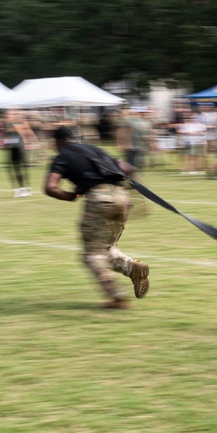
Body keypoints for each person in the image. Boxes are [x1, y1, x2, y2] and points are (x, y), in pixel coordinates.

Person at [44, 126, 150, 309]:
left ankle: (118, 297)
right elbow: (127, 167)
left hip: (99, 200)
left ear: (57, 141)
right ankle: (133, 268)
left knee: (91, 255)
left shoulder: (62, 156)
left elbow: (50, 187)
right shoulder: (93, 149)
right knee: (105, 247)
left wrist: (70, 196)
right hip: (121, 197)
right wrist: (131, 191)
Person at [2, 110, 40, 197]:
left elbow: (28, 133)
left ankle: (25, 188)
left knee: (23, 170)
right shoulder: (7, 124)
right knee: (11, 170)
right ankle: (16, 190)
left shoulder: (22, 123)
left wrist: (34, 142)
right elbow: (6, 136)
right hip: (11, 149)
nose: (13, 116)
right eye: (10, 114)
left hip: (20, 148)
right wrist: (4, 142)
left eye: (15, 114)